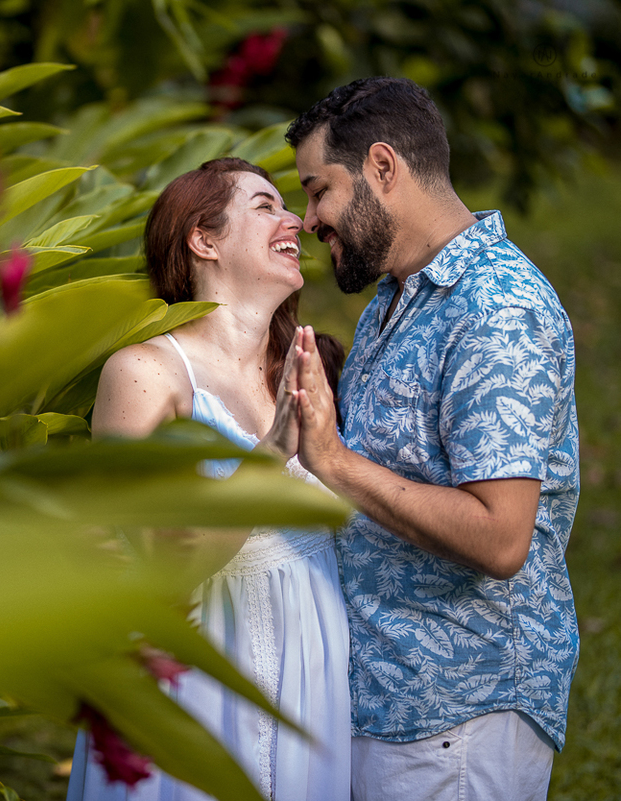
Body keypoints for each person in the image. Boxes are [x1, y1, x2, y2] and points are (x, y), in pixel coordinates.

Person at [283, 77, 579, 801]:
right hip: (388, 704)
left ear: (383, 167)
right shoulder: (397, 296)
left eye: (319, 189)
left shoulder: (496, 308)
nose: (309, 217)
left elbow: (500, 538)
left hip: (459, 713)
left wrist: (337, 464)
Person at [65, 157, 350, 801]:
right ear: (204, 239)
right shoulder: (145, 373)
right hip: (197, 672)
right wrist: (271, 454)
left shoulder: (310, 366)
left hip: (310, 671)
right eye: (265, 206)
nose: (296, 222)